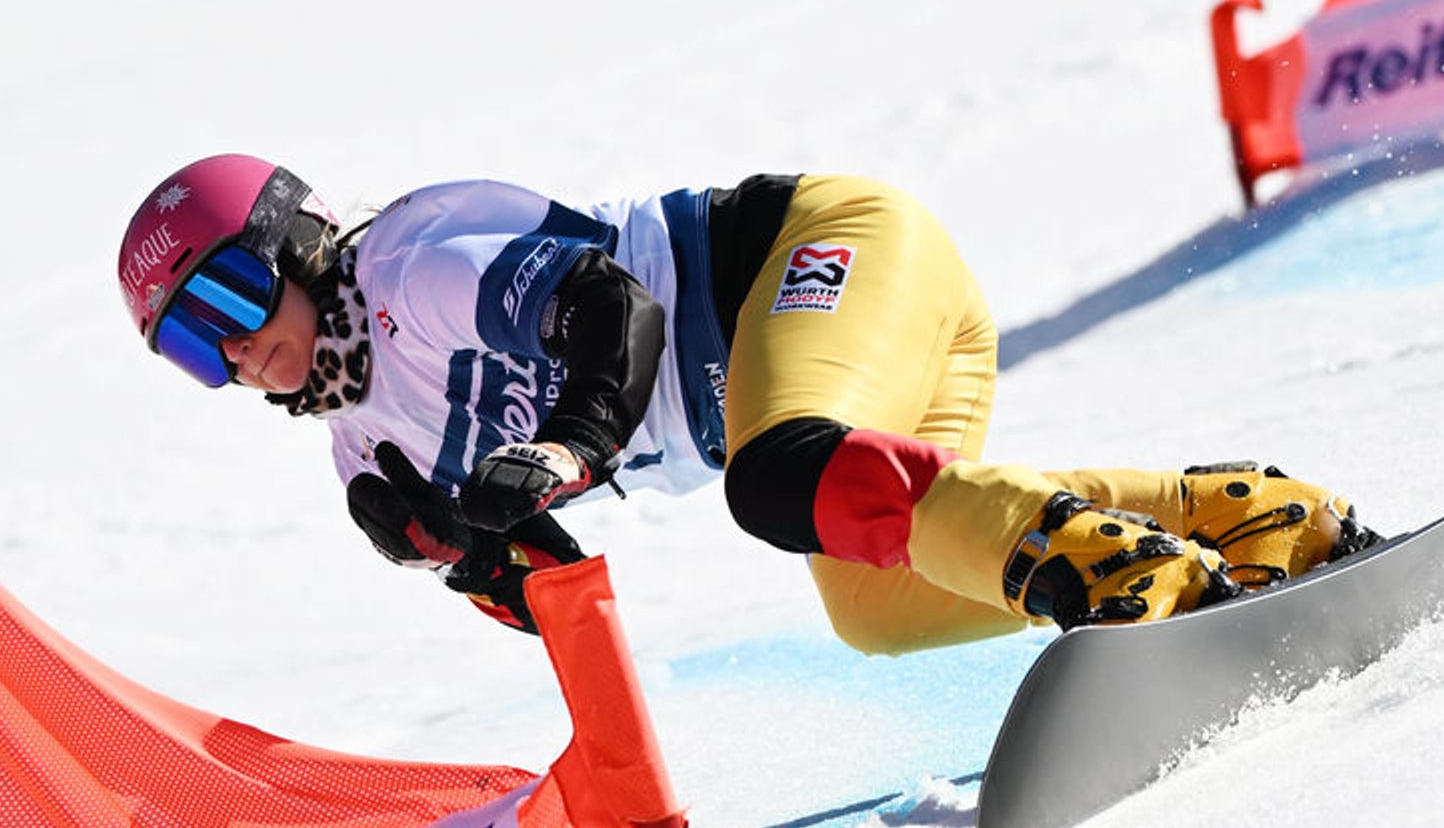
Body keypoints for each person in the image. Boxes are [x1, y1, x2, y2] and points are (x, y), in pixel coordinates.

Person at [114, 155, 1378, 652]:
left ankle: (1118, 583)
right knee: (878, 608)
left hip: (825, 253)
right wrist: (493, 567)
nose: (233, 356)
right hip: (831, 378)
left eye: (228, 301)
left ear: (294, 242)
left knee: (774, 476)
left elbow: (619, 317)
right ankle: (1243, 523)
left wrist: (564, 448)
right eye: (190, 350)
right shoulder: (363, 454)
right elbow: (555, 587)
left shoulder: (409, 263)